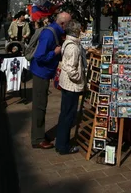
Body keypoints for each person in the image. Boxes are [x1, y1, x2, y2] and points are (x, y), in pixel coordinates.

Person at [30, 11, 72, 149]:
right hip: (40, 73)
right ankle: (37, 138)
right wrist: (54, 53)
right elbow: (39, 56)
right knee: (39, 105)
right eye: (68, 23)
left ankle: (40, 133)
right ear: (62, 23)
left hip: (44, 73)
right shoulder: (49, 34)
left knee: (42, 104)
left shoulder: (55, 31)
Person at [55, 20, 86, 155]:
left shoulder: (69, 43)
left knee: (65, 114)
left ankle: (61, 143)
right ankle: (63, 145)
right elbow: (69, 66)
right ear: (76, 31)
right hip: (71, 85)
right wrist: (78, 77)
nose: (81, 31)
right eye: (79, 29)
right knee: (68, 115)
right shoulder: (73, 46)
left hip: (67, 84)